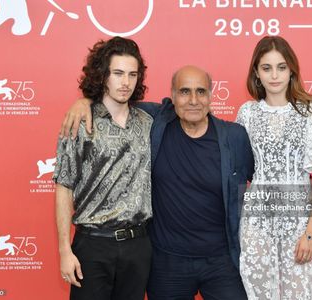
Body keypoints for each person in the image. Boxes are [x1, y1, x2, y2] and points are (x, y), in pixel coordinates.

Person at [60, 65, 254, 300]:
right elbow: (116, 101)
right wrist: (85, 101)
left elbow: (260, 186)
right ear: (172, 96)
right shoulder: (155, 122)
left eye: (201, 92)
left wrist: (310, 227)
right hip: (167, 264)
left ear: (211, 96)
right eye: (184, 92)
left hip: (221, 262)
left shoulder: (234, 137)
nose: (193, 100)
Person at [236, 36, 312, 299]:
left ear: (292, 70)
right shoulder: (247, 113)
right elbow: (238, 170)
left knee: (300, 292)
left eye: (281, 67)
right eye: (266, 68)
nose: (274, 75)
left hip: (298, 220)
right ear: (256, 73)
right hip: (256, 221)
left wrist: (311, 233)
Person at [53, 36, 153, 300]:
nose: (126, 82)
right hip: (94, 244)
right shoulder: (79, 121)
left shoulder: (147, 122)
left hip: (138, 245)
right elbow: (63, 186)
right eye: (118, 73)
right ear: (103, 75)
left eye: (132, 74)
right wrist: (65, 250)